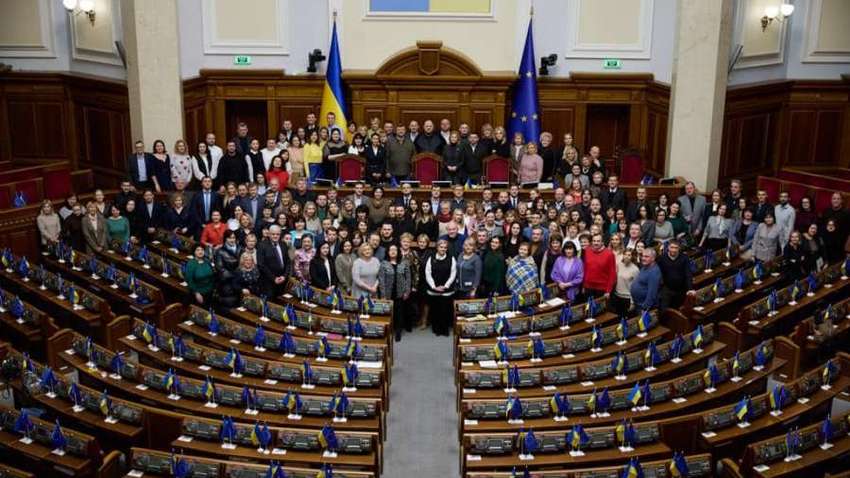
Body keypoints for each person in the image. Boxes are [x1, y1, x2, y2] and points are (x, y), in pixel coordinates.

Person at [379, 244, 412, 341]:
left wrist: (407, 291)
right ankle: (388, 331)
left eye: (395, 250)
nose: (393, 252)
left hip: (400, 293)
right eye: (391, 250)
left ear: (398, 252)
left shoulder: (404, 263)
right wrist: (383, 295)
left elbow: (408, 278)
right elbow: (381, 280)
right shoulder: (383, 263)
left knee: (399, 313)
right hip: (388, 293)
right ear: (388, 252)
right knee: (388, 313)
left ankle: (398, 332)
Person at [425, 239, 457, 336]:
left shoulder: (451, 258)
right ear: (437, 247)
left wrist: (446, 286)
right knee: (435, 311)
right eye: (441, 247)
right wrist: (434, 286)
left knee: (445, 311)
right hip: (434, 290)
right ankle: (436, 330)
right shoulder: (431, 258)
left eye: (445, 247)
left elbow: (453, 273)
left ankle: (444, 330)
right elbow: (428, 273)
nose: (443, 249)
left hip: (447, 291)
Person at [656, 240, 694, 310]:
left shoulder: (684, 258)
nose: (673, 250)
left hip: (680, 289)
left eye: (676, 248)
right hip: (667, 288)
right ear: (668, 248)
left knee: (677, 309)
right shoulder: (662, 258)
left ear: (679, 248)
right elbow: (658, 273)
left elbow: (688, 273)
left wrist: (690, 288)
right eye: (672, 247)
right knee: (664, 309)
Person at [257, 225, 290, 297]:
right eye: (273, 234)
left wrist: (284, 276)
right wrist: (273, 278)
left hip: (282, 281)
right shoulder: (262, 246)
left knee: (282, 302)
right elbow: (261, 265)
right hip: (268, 282)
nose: (275, 236)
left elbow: (287, 262)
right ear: (269, 234)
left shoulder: (283, 244)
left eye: (277, 234)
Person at [582, 233, 616, 299]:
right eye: (594, 241)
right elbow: (585, 269)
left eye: (598, 241)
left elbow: (612, 274)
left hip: (602, 289)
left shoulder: (609, 254)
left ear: (602, 242)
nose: (596, 243)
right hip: (588, 287)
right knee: (588, 308)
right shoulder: (587, 251)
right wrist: (583, 285)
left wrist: (608, 291)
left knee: (600, 309)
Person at [612, 248, 639, 317]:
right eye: (625, 254)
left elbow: (636, 287)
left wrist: (632, 302)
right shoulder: (618, 265)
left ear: (632, 257)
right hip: (617, 296)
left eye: (629, 255)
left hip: (627, 299)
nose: (626, 256)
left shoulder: (635, 269)